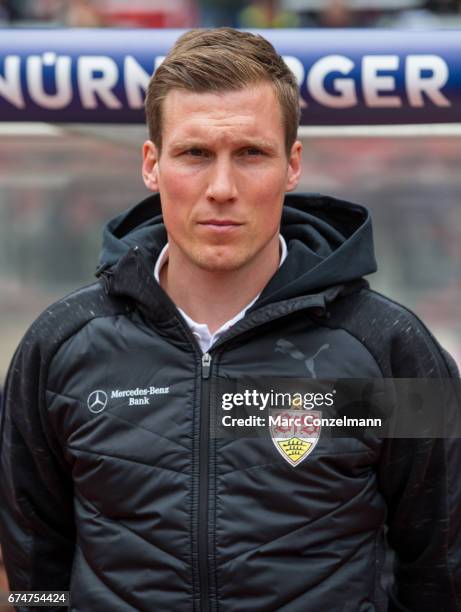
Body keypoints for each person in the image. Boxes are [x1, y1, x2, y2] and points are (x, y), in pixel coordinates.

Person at [0, 27, 460, 612]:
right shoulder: (58, 346)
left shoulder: (390, 349)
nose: (222, 188)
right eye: (195, 154)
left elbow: (442, 566)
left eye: (251, 154)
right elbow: (34, 566)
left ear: (292, 166)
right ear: (151, 164)